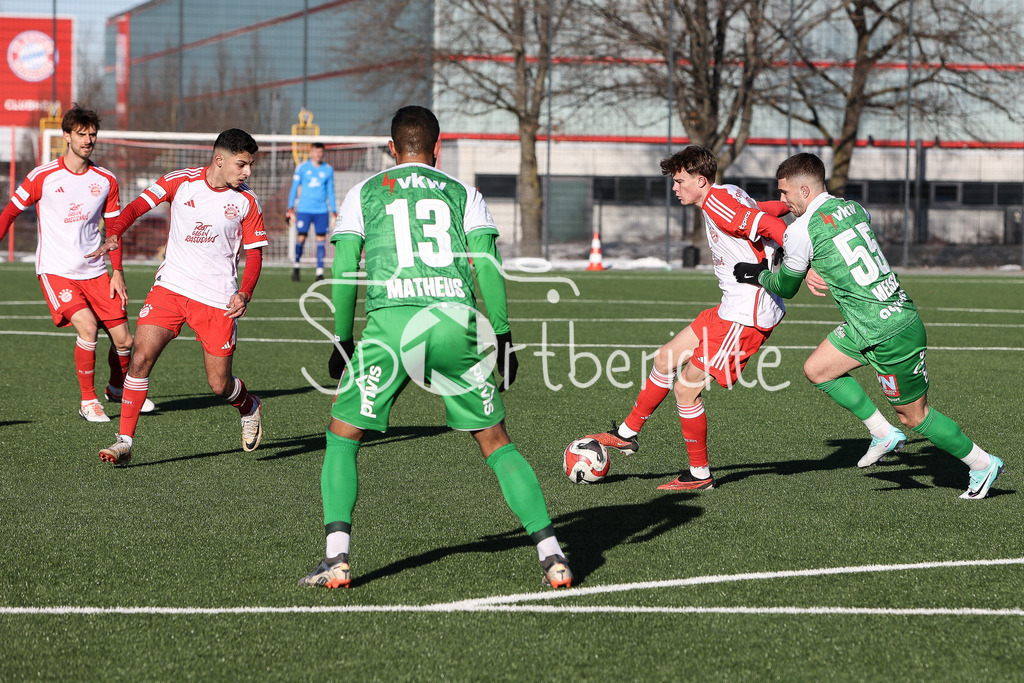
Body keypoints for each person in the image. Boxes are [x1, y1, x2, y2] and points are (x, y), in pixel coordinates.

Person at [298, 105, 572, 589]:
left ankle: (336, 557)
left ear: (391, 149)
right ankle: (552, 555)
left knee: (342, 437)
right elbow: (486, 265)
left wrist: (342, 338)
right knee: (496, 443)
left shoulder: (364, 193)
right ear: (437, 148)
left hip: (391, 326)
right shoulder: (464, 193)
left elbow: (344, 271)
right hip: (454, 324)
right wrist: (504, 337)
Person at [734, 152, 1003, 499]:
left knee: (914, 417)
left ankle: (982, 463)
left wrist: (757, 274)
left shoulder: (800, 230)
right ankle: (882, 433)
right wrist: (819, 268)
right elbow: (846, 250)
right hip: (868, 323)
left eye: (785, 193)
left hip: (890, 333)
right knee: (817, 370)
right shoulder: (854, 208)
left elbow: (786, 286)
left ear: (804, 189)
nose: (782, 200)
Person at [586, 145, 790, 491]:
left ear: (701, 179)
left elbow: (767, 223)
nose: (675, 187)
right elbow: (765, 210)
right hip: (730, 307)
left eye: (680, 181)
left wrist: (803, 262)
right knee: (666, 357)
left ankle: (700, 475)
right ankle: (626, 434)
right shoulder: (724, 194)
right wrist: (795, 205)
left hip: (745, 315)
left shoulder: (717, 201)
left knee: (686, 390)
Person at [88, 129, 268, 465]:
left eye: (249, 165)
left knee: (218, 384)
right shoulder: (180, 181)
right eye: (242, 164)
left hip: (217, 300)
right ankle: (124, 441)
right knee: (140, 359)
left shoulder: (246, 201)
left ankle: (248, 404)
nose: (247, 172)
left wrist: (244, 292)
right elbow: (136, 207)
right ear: (220, 160)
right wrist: (114, 234)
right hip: (171, 288)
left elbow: (255, 255)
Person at [0, 104, 154, 422]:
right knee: (87, 326)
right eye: (81, 134)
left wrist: (118, 272)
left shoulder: (106, 180)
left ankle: (116, 388)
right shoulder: (41, 176)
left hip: (96, 271)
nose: (88, 140)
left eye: (92, 134)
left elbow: (113, 230)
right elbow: (10, 213)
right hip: (57, 270)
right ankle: (88, 401)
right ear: (67, 136)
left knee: (125, 340)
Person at [287, 141, 336, 281]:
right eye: (316, 152)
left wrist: (334, 210)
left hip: (321, 210)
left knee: (321, 240)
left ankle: (319, 272)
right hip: (304, 209)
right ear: (311, 152)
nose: (318, 155)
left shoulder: (328, 170)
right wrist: (290, 208)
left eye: (321, 152)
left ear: (323, 153)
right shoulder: (302, 168)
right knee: (301, 238)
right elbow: (294, 188)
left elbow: (330, 191)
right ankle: (296, 266)